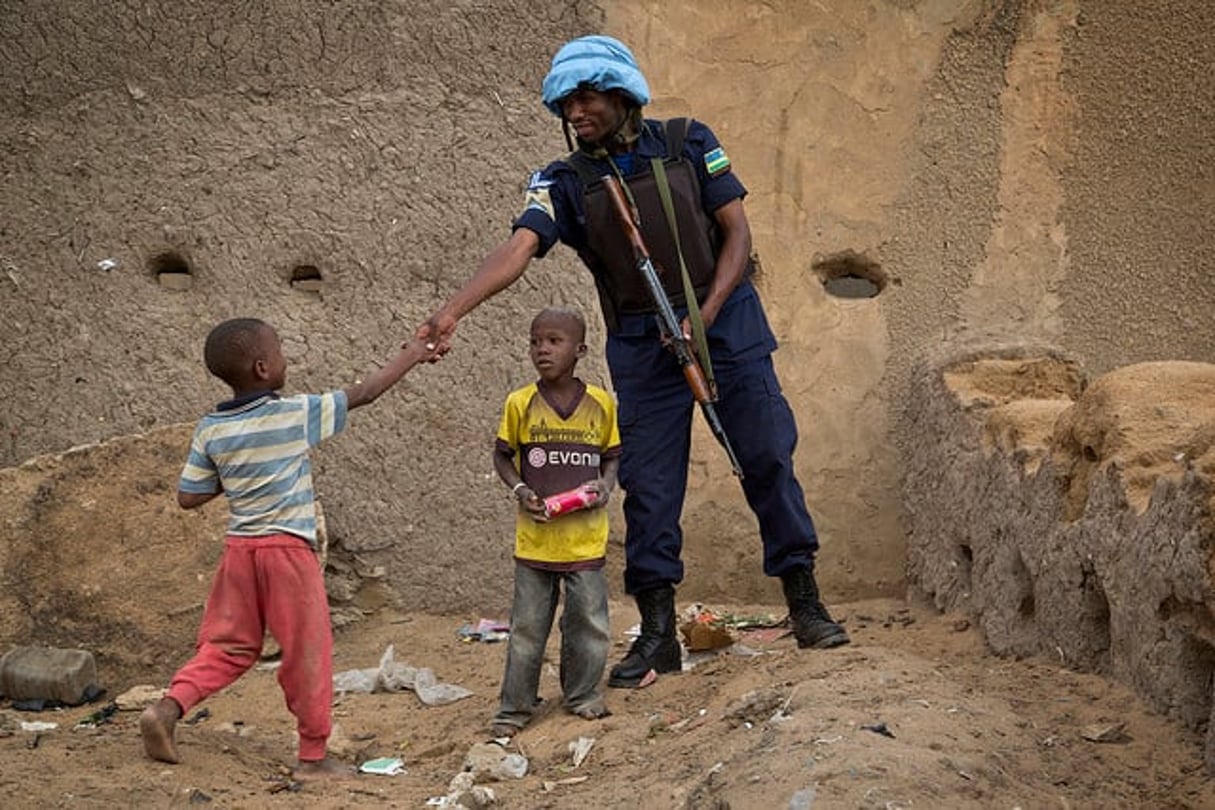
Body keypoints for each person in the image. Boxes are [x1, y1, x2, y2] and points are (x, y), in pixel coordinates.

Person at [417, 34, 849, 690]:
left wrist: (703, 315)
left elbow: (736, 233)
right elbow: (519, 245)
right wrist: (453, 310)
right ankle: (656, 632)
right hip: (642, 343)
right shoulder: (564, 180)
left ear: (622, 94)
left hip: (724, 325)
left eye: (585, 97)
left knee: (764, 457)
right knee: (649, 490)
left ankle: (804, 600)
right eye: (564, 104)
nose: (574, 113)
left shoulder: (687, 142)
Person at [140, 317, 433, 781]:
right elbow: (366, 392)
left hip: (240, 553)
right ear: (261, 368)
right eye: (280, 353)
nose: (285, 361)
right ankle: (313, 758)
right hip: (286, 555)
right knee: (307, 651)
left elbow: (189, 496)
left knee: (229, 646)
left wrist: (239, 472)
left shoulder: (211, 429)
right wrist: (413, 354)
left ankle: (168, 709)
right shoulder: (292, 413)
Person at [489, 307, 621, 737]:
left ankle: (582, 695)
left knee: (590, 624)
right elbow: (502, 456)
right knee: (527, 630)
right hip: (536, 542)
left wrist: (605, 485)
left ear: (580, 350)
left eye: (553, 341)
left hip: (585, 542)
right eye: (535, 341)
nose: (542, 349)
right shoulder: (520, 403)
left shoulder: (601, 404)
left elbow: (612, 456)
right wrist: (520, 491)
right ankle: (514, 709)